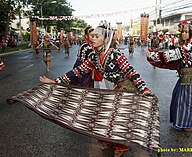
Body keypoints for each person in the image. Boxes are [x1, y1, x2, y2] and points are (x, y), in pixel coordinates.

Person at [39, 20, 153, 157]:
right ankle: (110, 141)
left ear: (105, 39)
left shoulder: (115, 55)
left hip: (129, 90)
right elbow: (77, 71)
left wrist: (144, 89)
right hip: (118, 88)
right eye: (92, 35)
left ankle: (121, 146)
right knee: (105, 115)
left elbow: (131, 73)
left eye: (97, 36)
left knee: (118, 119)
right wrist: (55, 82)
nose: (92, 38)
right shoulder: (94, 57)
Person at [146, 20, 192, 132]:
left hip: (189, 79)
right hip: (187, 78)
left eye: (185, 32)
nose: (183, 34)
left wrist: (150, 55)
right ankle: (186, 123)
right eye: (182, 32)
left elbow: (168, 56)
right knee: (185, 100)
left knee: (187, 102)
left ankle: (187, 125)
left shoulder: (188, 48)